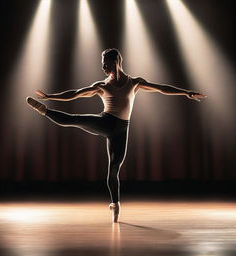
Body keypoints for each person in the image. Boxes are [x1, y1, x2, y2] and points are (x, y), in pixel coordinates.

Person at [26, 48, 206, 222]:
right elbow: (75, 94)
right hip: (105, 122)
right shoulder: (101, 85)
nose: (103, 67)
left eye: (105, 63)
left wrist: (185, 92)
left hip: (121, 131)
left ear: (116, 61)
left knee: (114, 170)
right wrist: (50, 96)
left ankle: (115, 204)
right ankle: (45, 111)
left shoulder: (134, 82)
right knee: (75, 119)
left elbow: (161, 88)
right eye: (102, 64)